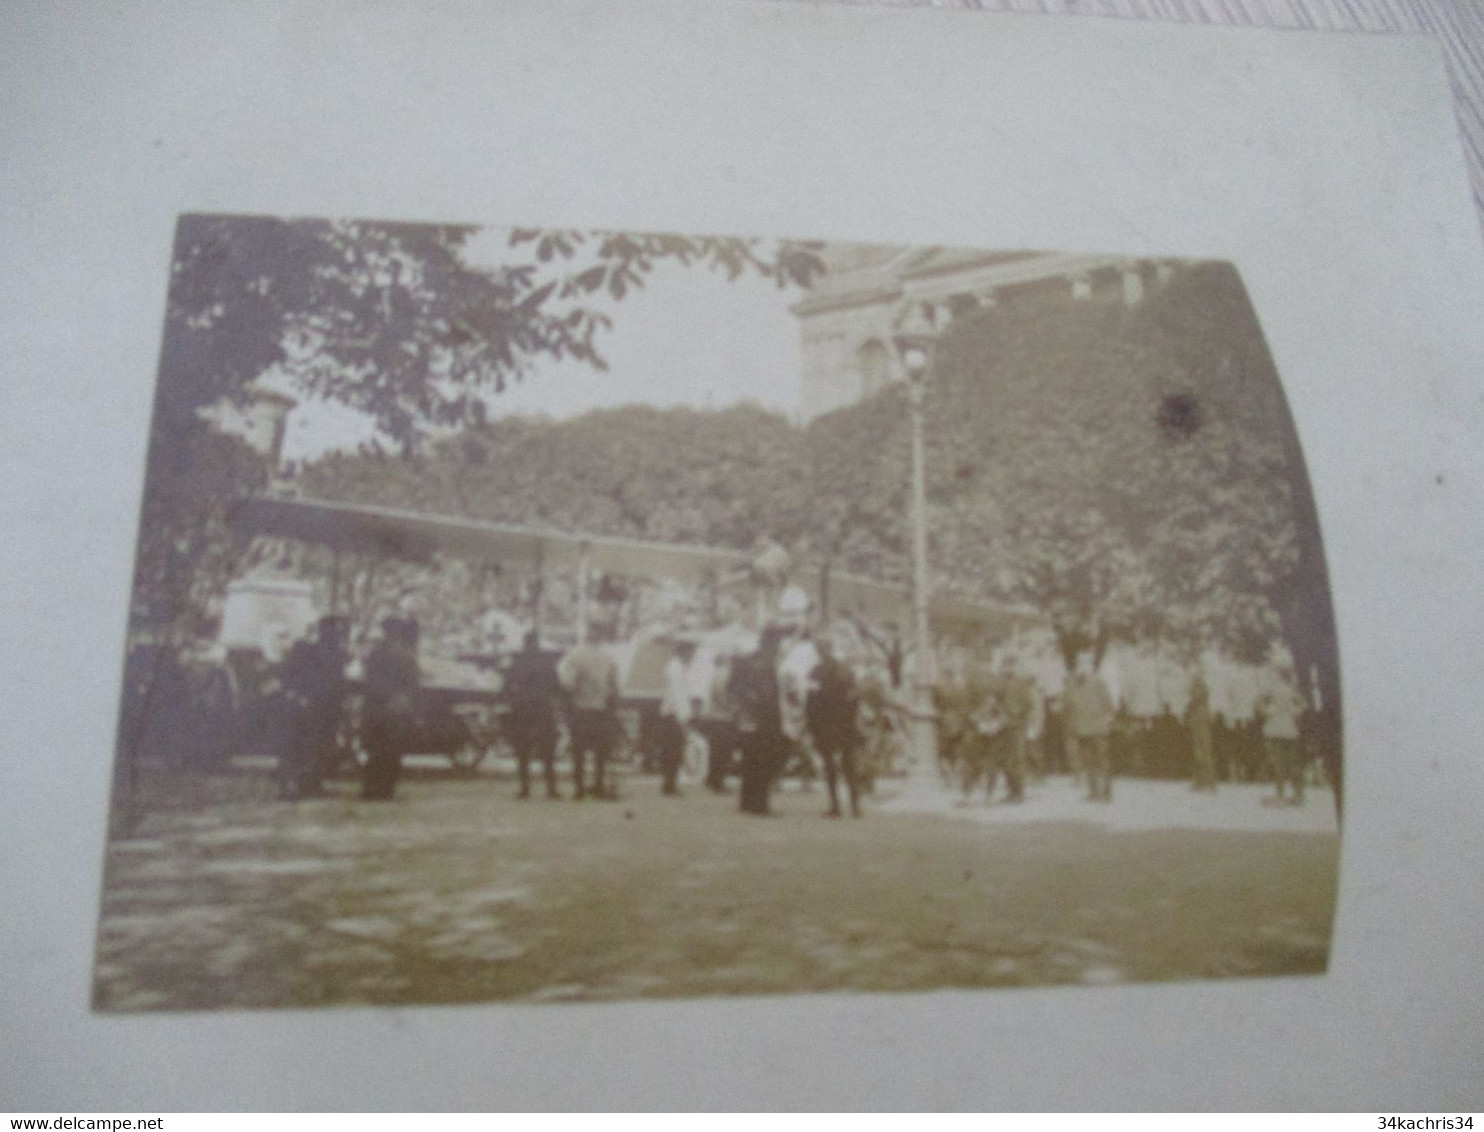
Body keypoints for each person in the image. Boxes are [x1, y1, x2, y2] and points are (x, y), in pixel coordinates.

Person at [277, 616, 350, 799]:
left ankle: (307, 783)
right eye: (334, 630)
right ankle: (300, 784)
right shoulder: (316, 650)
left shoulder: (324, 651)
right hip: (315, 706)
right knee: (308, 746)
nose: (335, 635)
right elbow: (292, 675)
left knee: (313, 747)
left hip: (319, 706)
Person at [731, 625, 788, 815]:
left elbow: (736, 688)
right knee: (765, 760)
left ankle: (747, 800)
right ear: (772, 642)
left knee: (751, 760)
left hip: (749, 717)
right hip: (766, 717)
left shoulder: (748, 660)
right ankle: (760, 804)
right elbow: (767, 694)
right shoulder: (765, 663)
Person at [361, 617, 420, 802]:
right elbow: (411, 683)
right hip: (394, 708)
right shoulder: (405, 653)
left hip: (374, 707)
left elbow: (367, 678)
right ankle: (385, 789)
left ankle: (371, 788)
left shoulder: (375, 652)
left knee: (375, 749)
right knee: (391, 750)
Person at [806, 637, 863, 817]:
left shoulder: (815, 672)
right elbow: (855, 697)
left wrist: (811, 723)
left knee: (830, 766)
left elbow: (812, 701)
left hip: (825, 725)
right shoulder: (846, 670)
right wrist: (851, 718)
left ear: (818, 652)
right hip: (846, 724)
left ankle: (835, 806)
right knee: (849, 765)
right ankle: (855, 806)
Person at [503, 629, 564, 800]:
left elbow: (506, 688)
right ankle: (551, 788)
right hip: (543, 710)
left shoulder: (516, 663)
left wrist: (514, 701)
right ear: (538, 643)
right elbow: (557, 688)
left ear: (524, 643)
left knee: (523, 751)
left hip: (522, 711)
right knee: (547, 751)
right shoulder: (547, 663)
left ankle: (524, 788)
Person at [560, 634, 620, 800]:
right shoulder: (608, 659)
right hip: (600, 711)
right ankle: (598, 785)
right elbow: (614, 688)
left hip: (581, 709)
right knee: (600, 752)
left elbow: (567, 684)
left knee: (578, 751)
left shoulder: (574, 657)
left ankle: (579, 788)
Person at [1063, 653, 1116, 802]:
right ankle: (1093, 791)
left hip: (1098, 728)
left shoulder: (1099, 682)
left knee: (1102, 760)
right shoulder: (1072, 683)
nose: (1081, 668)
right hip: (1081, 729)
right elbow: (1067, 705)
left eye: (1085, 664)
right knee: (1088, 761)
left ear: (1091, 666)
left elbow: (1108, 705)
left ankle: (1106, 792)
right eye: (1079, 664)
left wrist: (1106, 722)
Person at [657, 639, 699, 796]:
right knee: (673, 751)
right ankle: (669, 784)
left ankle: (669, 783)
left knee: (673, 751)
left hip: (673, 713)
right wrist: (684, 719)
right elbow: (678, 695)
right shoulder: (676, 668)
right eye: (691, 653)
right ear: (685, 652)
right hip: (673, 714)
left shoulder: (677, 667)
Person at [1260, 671, 1308, 805]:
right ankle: (1298, 794)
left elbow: (1265, 709)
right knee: (1293, 764)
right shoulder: (1292, 691)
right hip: (1290, 730)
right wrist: (1295, 713)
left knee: (1278, 764)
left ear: (1279, 677)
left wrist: (1262, 706)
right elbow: (1303, 706)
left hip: (1274, 730)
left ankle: (1280, 794)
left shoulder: (1273, 690)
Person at [1187, 670, 1216, 791]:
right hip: (1197, 721)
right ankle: (1201, 781)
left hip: (1200, 721)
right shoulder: (1201, 691)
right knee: (1198, 752)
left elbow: (1197, 699)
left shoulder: (1201, 691)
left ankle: (1208, 781)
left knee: (1203, 752)